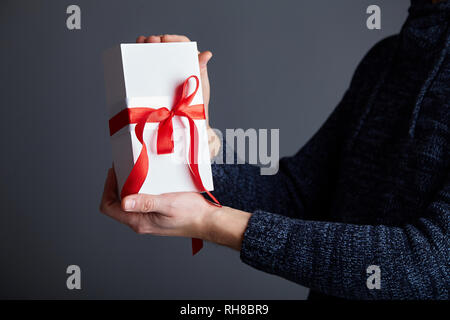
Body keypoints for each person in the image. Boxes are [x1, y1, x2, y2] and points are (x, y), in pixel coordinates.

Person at [100, 0, 449, 299]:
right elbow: (300, 195)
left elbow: (430, 263)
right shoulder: (388, 58)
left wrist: (211, 220)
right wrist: (192, 145)